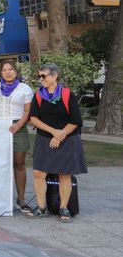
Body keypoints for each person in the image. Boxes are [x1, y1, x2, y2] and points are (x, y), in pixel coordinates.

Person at [25, 63, 87, 222]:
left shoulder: (67, 94)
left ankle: (64, 208)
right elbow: (33, 118)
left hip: (67, 139)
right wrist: (54, 133)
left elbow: (75, 120)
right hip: (44, 138)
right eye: (39, 76)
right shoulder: (38, 96)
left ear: (54, 76)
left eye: (43, 76)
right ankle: (41, 207)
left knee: (64, 174)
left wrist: (60, 136)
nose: (41, 79)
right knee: (38, 173)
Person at [0, 59, 34, 213]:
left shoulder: (25, 88)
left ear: (16, 71)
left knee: (19, 163)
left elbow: (28, 112)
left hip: (18, 127)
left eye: (11, 69)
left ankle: (21, 198)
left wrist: (18, 125)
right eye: (4, 69)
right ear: (0, 72)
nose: (8, 72)